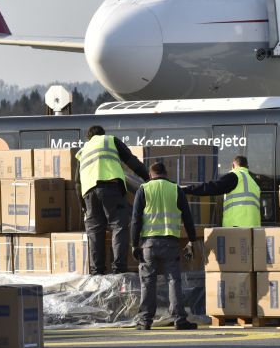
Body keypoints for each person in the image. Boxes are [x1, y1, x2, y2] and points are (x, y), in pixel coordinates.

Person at [131, 162, 198, 330]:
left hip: (149, 243)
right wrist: (192, 240)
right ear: (166, 173)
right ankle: (179, 319)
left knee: (148, 282)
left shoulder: (143, 189)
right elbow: (188, 217)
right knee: (173, 280)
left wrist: (134, 244)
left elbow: (136, 219)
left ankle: (145, 321)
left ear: (150, 174)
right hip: (170, 242)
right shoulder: (175, 189)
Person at [75, 125, 150, 275]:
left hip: (89, 192)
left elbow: (77, 182)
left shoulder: (83, 150)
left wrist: (82, 205)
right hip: (111, 187)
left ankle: (97, 271)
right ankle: (119, 268)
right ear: (103, 134)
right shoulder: (110, 140)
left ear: (88, 138)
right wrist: (148, 178)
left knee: (95, 231)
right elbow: (131, 161)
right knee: (119, 226)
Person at [181, 155, 261, 227]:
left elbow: (212, 187)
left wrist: (187, 189)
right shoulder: (254, 183)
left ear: (233, 165)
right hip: (254, 227)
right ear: (247, 167)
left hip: (237, 225)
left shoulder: (235, 176)